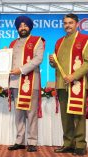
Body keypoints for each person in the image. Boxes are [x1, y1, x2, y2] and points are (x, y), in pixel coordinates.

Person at [49, 13, 88, 156]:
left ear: (77, 24)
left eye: (70, 22)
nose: (67, 25)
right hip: (61, 84)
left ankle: (80, 145)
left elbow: (87, 63)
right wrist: (52, 62)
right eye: (65, 23)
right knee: (65, 117)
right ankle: (68, 143)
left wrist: (74, 76)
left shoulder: (85, 39)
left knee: (78, 116)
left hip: (77, 84)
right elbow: (57, 65)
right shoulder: (59, 41)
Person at [7, 16, 45, 152]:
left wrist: (21, 70)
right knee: (19, 114)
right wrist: (4, 56)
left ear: (30, 27)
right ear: (17, 28)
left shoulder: (37, 41)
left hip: (31, 82)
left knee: (31, 113)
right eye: (20, 26)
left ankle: (32, 141)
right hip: (16, 83)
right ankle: (19, 141)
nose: (22, 28)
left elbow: (38, 59)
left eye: (25, 25)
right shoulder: (12, 43)